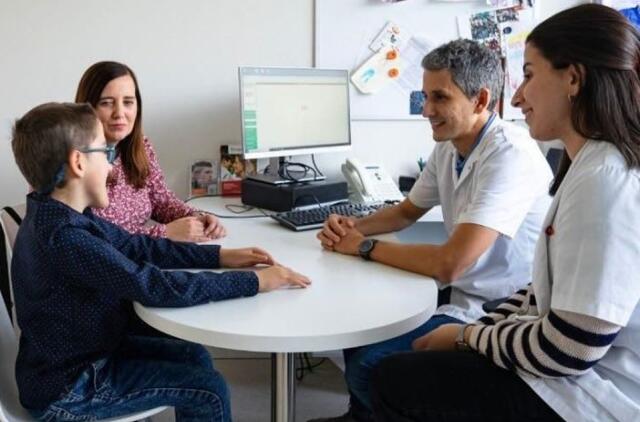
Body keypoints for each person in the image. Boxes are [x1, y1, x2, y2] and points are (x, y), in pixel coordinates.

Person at [371, 4, 640, 421]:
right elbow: (543, 290)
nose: (516, 97)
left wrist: (467, 337)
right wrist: (482, 330)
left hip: (591, 392)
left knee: (392, 377)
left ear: (573, 78)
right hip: (557, 355)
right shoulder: (588, 165)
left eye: (528, 75)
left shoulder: (604, 180)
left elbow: (570, 350)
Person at [10, 102, 311, 421]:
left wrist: (220, 256)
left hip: (83, 359)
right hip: (71, 389)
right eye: (106, 153)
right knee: (209, 390)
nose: (112, 168)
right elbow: (153, 286)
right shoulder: (66, 238)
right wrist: (256, 281)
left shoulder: (60, 215)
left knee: (195, 356)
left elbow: (136, 246)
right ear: (78, 162)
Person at [311, 39, 553, 422]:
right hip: (462, 290)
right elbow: (406, 212)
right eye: (424, 97)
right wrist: (350, 227)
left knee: (370, 364)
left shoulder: (510, 156)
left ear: (480, 99)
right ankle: (362, 416)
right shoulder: (450, 146)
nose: (426, 110)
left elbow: (449, 264)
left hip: (498, 308)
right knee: (357, 324)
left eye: (439, 98)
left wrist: (362, 246)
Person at [75, 61, 223, 242]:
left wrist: (197, 217)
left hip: (148, 252)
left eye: (128, 102)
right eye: (106, 103)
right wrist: (165, 232)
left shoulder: (141, 146)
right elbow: (91, 238)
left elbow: (161, 201)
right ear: (87, 108)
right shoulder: (73, 159)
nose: (119, 113)